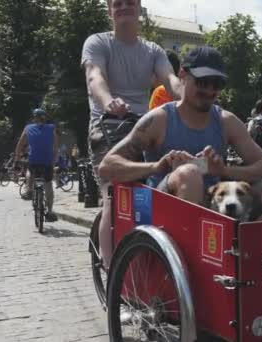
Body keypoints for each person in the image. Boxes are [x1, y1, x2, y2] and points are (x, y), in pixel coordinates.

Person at [98, 46, 262, 269]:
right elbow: (107, 167)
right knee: (189, 174)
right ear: (183, 75)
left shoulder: (226, 121)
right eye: (203, 82)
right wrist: (158, 165)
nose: (209, 90)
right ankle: (197, 264)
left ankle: (246, 242)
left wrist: (223, 171)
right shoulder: (159, 119)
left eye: (216, 84)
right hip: (164, 204)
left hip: (216, 203)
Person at [82, 0, 184, 263]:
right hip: (108, 124)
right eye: (117, 3)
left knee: (170, 179)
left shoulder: (153, 50)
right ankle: (110, 271)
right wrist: (108, 102)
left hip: (144, 126)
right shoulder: (98, 42)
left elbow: (170, 79)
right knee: (113, 195)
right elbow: (95, 77)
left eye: (130, 2)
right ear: (109, 9)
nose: (123, 6)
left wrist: (188, 95)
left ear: (139, 9)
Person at [14, 108, 59, 222]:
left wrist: (17, 158)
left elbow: (20, 145)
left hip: (34, 160)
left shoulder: (28, 128)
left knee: (30, 170)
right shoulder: (51, 128)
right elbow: (55, 147)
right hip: (47, 161)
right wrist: (53, 161)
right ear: (45, 118)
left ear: (34, 118)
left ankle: (28, 189)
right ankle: (49, 211)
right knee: (48, 184)